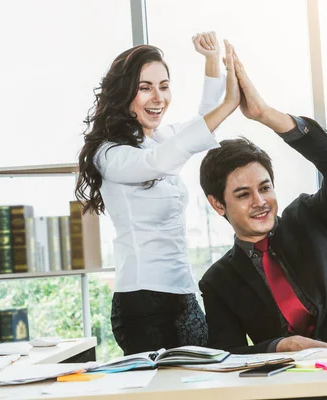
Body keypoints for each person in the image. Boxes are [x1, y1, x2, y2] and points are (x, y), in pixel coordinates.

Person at [198, 51, 327, 354]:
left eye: (265, 188)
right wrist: (277, 345)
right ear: (218, 205)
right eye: (243, 195)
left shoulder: (312, 219)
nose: (260, 202)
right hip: (300, 383)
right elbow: (227, 353)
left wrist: (266, 114)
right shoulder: (218, 281)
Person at [75, 32, 240, 355]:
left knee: (200, 387)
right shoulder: (109, 154)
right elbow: (156, 162)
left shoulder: (160, 139)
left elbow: (202, 121)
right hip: (141, 302)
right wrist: (229, 103)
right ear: (124, 93)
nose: (158, 98)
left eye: (164, 86)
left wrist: (211, 61)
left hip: (183, 294)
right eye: (145, 87)